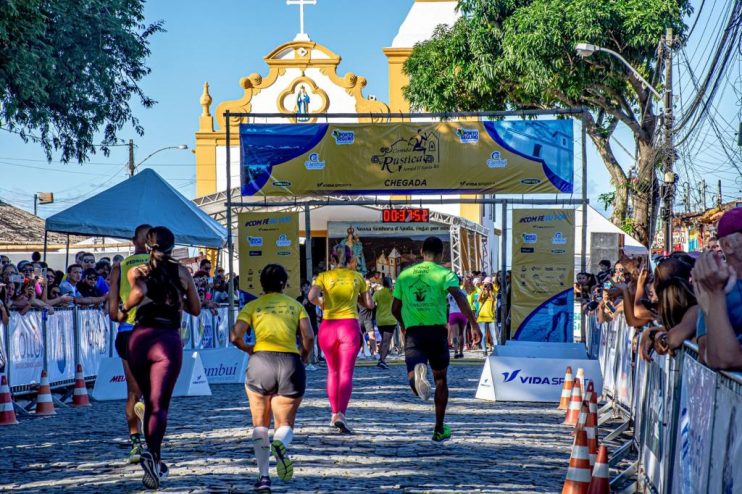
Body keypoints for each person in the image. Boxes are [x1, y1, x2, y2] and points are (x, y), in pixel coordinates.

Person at [121, 226, 200, 490]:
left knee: (145, 398)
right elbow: (196, 309)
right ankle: (154, 459)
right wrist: (179, 299)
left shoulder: (137, 271)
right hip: (166, 340)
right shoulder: (182, 272)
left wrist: (122, 309)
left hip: (139, 339)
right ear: (172, 246)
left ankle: (146, 441)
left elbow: (137, 296)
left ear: (147, 246)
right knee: (159, 405)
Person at [231, 264, 315, 492]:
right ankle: (281, 443)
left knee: (260, 423)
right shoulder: (296, 305)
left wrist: (248, 348)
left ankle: (264, 476)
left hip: (261, 362)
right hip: (290, 362)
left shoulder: (253, 305)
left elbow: (235, 335)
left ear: (262, 285)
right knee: (285, 423)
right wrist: (304, 356)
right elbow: (308, 336)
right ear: (285, 284)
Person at [391, 237, 478, 442]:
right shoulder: (445, 273)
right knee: (441, 380)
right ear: (441, 255)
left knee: (413, 375)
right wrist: (473, 324)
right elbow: (459, 297)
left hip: (414, 333)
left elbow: (395, 308)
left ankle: (417, 377)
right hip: (437, 332)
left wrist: (404, 325)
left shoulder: (404, 275)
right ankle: (439, 428)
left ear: (422, 252)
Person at [308, 244, 374, 433]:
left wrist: (322, 302)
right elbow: (369, 304)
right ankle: (341, 414)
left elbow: (311, 296)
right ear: (352, 259)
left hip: (328, 327)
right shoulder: (357, 277)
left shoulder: (324, 277)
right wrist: (358, 299)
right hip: (349, 327)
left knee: (332, 372)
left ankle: (333, 413)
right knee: (346, 373)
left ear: (332, 259)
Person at [108, 224, 151, 464]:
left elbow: (113, 313)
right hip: (156, 333)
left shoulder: (120, 267)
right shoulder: (163, 266)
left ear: (133, 240)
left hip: (128, 333)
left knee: (133, 392)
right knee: (154, 392)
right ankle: (154, 442)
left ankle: (135, 443)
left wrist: (124, 312)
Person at [693, 208, 742, 369]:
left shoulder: (714, 289)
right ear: (727, 245)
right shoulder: (715, 286)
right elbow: (709, 354)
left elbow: (727, 359)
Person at [373, 276, 398, 369]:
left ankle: (381, 358)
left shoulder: (377, 293)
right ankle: (382, 360)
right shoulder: (394, 292)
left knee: (384, 340)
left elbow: (372, 304)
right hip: (391, 319)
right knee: (386, 341)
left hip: (380, 320)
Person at [297, 280, 319, 369]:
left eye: (307, 286)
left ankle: (310, 362)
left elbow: (317, 310)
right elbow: (296, 311)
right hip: (302, 324)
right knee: (302, 343)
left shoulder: (313, 298)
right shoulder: (299, 299)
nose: (306, 288)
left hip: (312, 323)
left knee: (312, 343)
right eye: (304, 286)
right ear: (301, 288)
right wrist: (303, 304)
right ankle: (302, 362)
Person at [447, 279, 467, 359]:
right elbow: (466, 303)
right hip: (462, 313)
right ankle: (461, 352)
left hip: (453, 313)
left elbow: (447, 303)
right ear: (460, 283)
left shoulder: (449, 293)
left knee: (454, 334)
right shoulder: (463, 292)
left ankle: (456, 351)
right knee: (461, 334)